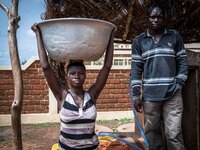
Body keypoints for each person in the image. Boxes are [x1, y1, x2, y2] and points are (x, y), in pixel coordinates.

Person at [32, 24, 115, 150]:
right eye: (72, 73)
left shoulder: (92, 95)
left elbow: (107, 66)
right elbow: (45, 66)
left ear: (85, 75)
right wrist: (38, 35)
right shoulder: (62, 96)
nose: (77, 76)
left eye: (81, 73)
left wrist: (111, 36)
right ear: (67, 76)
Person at [131, 3, 188, 150]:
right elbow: (136, 69)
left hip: (173, 94)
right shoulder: (139, 41)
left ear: (164, 18)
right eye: (152, 17)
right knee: (152, 134)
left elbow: (182, 61)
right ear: (147, 18)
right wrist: (136, 94)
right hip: (150, 96)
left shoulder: (174, 36)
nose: (156, 20)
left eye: (159, 17)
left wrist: (179, 83)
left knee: (174, 134)